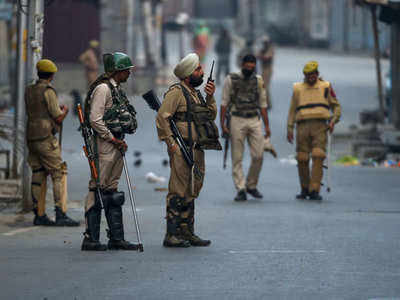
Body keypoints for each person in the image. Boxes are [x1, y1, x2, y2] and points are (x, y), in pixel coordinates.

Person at [156, 53, 221, 247]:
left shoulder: (196, 93)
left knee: (192, 189)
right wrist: (172, 144)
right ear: (187, 74)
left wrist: (210, 97)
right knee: (178, 189)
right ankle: (172, 234)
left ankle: (187, 231)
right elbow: (162, 118)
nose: (201, 72)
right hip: (181, 147)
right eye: (198, 69)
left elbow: (209, 116)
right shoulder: (177, 92)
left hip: (196, 148)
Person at [81, 52, 139, 251]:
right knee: (97, 187)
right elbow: (94, 119)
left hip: (117, 142)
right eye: (126, 70)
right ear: (117, 71)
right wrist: (112, 139)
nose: (128, 74)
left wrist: (119, 140)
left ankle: (116, 238)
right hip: (105, 144)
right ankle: (90, 238)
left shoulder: (117, 90)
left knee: (112, 190)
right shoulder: (103, 89)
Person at [25, 59, 79, 227]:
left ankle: (38, 213)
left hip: (31, 136)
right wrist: (65, 110)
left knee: (38, 173)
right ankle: (60, 213)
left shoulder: (29, 90)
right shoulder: (48, 91)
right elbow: (57, 116)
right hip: (45, 137)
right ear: (52, 75)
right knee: (57, 172)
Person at [287, 61, 341, 201]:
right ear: (305, 75)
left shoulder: (326, 87)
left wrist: (333, 120)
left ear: (317, 74)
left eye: (313, 74)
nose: (311, 77)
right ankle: (304, 188)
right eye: (308, 75)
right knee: (302, 157)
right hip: (302, 126)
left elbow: (336, 106)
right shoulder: (298, 89)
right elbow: (292, 110)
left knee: (318, 155)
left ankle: (314, 189)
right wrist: (289, 128)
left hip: (320, 126)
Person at [220, 54, 271, 202]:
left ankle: (251, 184)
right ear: (242, 65)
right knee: (237, 157)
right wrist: (223, 124)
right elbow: (224, 103)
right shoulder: (231, 79)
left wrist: (267, 126)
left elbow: (263, 104)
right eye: (247, 66)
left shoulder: (258, 80)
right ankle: (241, 188)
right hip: (237, 119)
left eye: (252, 66)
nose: (250, 68)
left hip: (254, 119)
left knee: (258, 155)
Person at [257, 35, 274, 109]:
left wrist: (261, 56)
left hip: (268, 69)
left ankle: (268, 104)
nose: (264, 44)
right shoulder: (263, 49)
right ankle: (264, 103)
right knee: (262, 86)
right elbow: (257, 55)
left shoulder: (270, 49)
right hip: (263, 69)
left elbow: (266, 57)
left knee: (265, 87)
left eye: (265, 42)